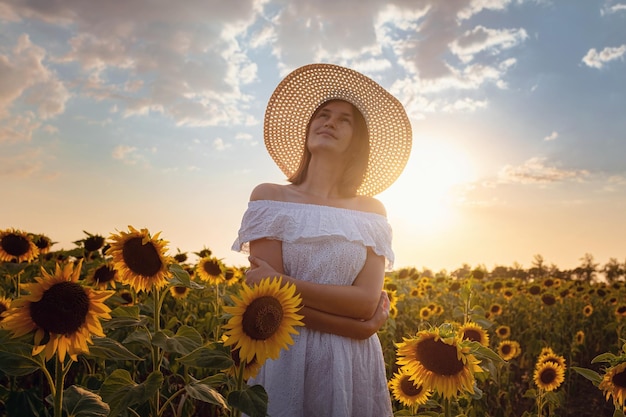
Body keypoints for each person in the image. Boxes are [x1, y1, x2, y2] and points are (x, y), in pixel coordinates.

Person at [231, 63, 412, 417]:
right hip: (287, 355)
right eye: (323, 114)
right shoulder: (270, 198)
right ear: (309, 128)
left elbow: (364, 302)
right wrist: (356, 328)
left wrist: (283, 282)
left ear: (357, 143)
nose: (330, 122)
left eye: (345, 120)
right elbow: (271, 308)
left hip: (352, 364)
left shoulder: (372, 211)